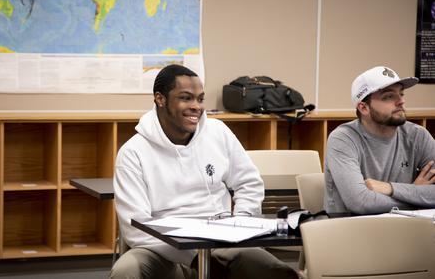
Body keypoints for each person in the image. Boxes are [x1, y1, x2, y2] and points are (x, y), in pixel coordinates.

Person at [109, 64, 298, 279]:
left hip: (222, 241)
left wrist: (240, 224)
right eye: (186, 98)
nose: (196, 106)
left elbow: (249, 183)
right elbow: (136, 227)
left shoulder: (218, 132)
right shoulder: (133, 152)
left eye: (200, 99)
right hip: (162, 249)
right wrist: (195, 259)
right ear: (160, 99)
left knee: (279, 273)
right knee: (126, 272)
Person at [324, 66, 435, 215]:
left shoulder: (418, 136)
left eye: (401, 94)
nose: (401, 101)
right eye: (389, 96)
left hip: (406, 229)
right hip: (352, 231)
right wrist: (416, 197)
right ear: (364, 108)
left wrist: (390, 188)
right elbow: (360, 203)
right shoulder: (343, 139)